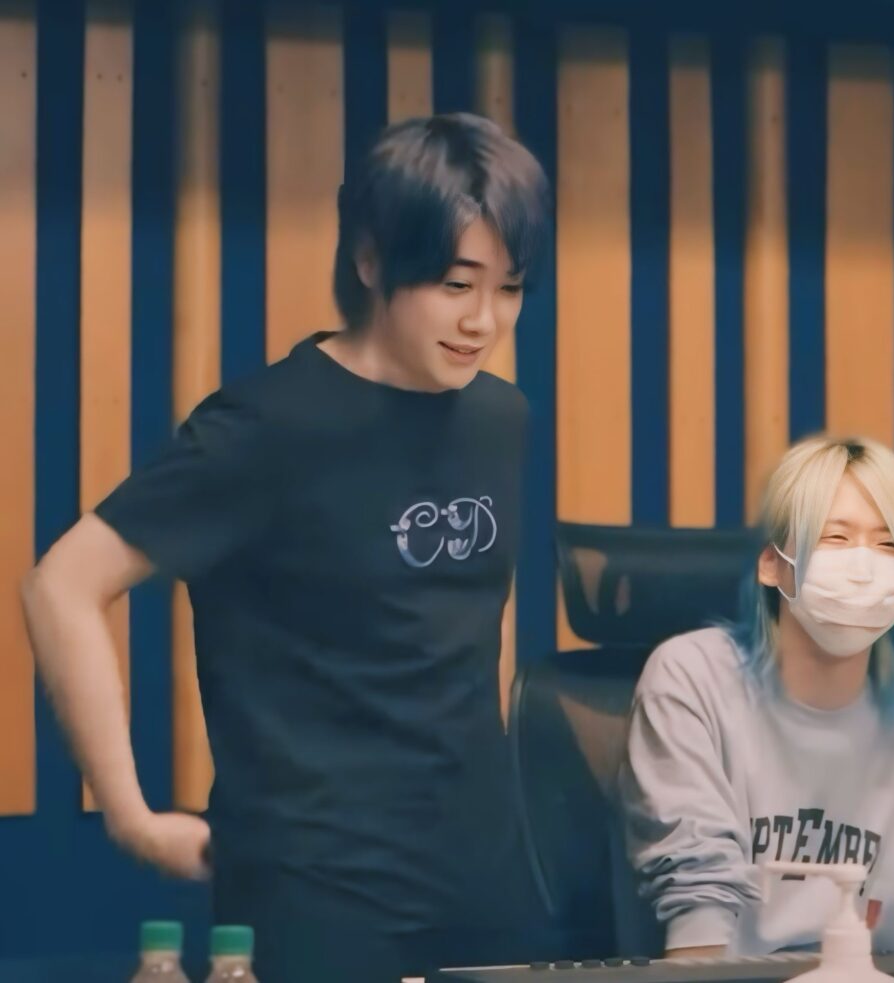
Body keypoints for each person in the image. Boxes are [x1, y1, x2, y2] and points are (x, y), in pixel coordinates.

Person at [21, 113, 552, 983]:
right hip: (317, 887)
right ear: (371, 259)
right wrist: (128, 814)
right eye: (456, 284)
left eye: (510, 287)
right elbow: (62, 584)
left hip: (487, 878)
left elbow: (473, 625)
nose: (483, 321)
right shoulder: (266, 427)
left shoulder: (502, 418)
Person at [619, 435, 894, 958]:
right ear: (772, 564)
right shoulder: (692, 677)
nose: (863, 566)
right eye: (836, 537)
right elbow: (698, 902)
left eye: (889, 545)